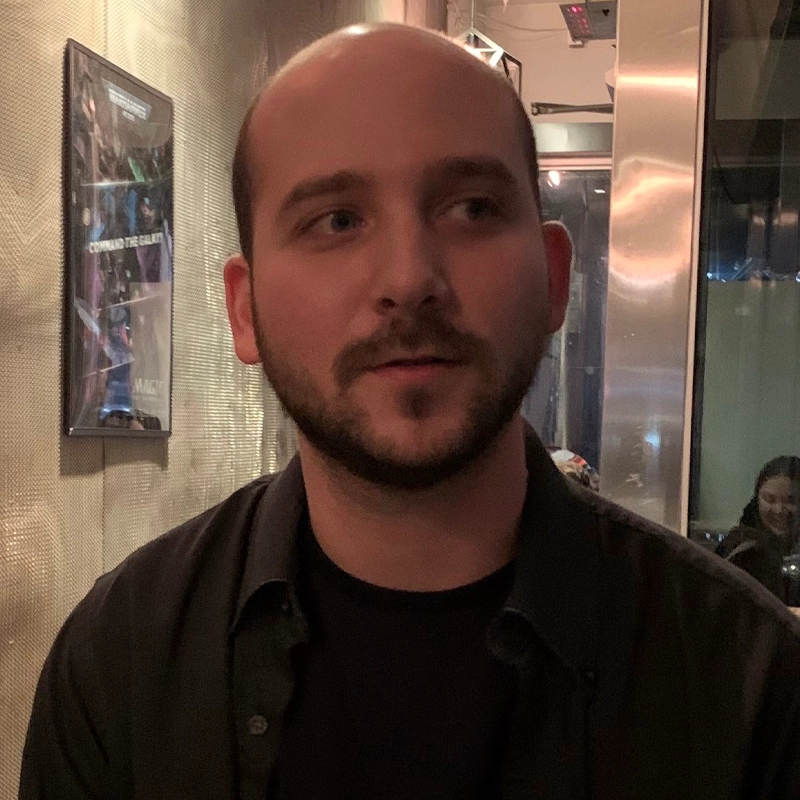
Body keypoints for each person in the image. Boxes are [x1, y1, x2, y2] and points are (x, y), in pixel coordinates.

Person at [19, 23, 800, 800]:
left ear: (556, 279)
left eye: (470, 208)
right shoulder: (120, 664)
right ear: (245, 309)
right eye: (337, 220)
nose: (408, 277)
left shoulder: (748, 682)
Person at [716, 456, 800, 602]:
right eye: (769, 499)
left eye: (790, 501)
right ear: (757, 499)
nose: (779, 510)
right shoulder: (737, 550)